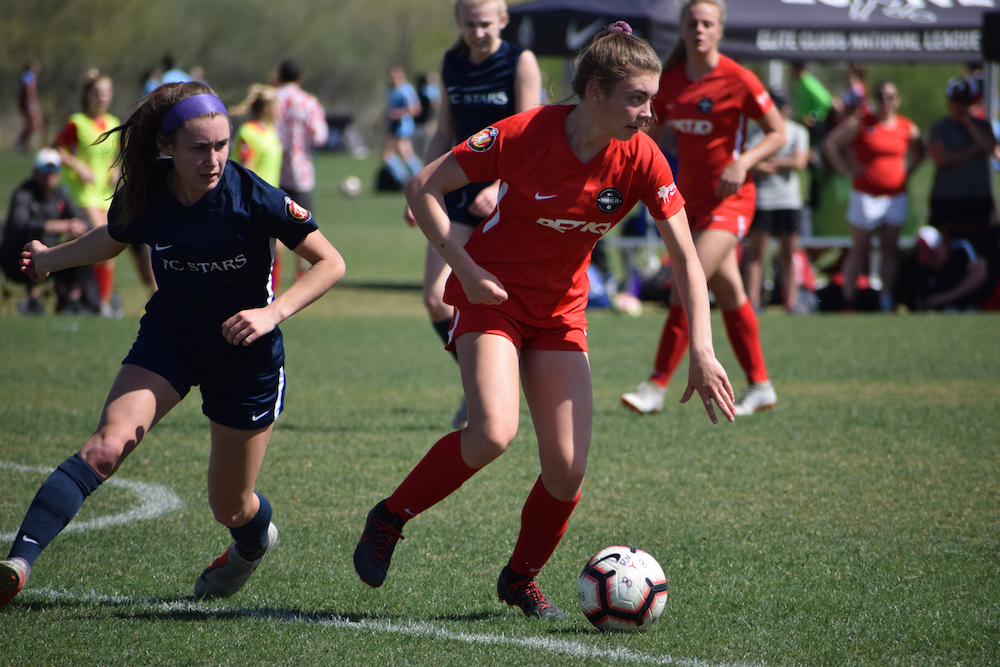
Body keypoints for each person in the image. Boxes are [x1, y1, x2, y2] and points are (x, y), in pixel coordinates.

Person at [353, 22, 735, 620]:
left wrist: (704, 350)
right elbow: (423, 186)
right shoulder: (526, 134)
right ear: (594, 93)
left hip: (560, 313)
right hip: (492, 298)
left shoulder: (643, 158)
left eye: (652, 99)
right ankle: (389, 517)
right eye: (637, 99)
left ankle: (519, 578)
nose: (648, 113)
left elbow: (687, 256)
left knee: (567, 468)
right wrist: (465, 267)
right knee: (492, 434)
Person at [0, 82, 346, 609]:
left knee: (229, 506)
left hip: (244, 358)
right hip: (172, 337)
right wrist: (50, 259)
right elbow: (114, 237)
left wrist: (271, 313)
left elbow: (332, 262)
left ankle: (252, 543)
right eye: (199, 147)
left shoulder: (256, 198)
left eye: (222, 145)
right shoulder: (147, 189)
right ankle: (17, 565)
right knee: (106, 447)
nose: (214, 159)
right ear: (167, 146)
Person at [620, 0, 785, 418]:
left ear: (720, 30)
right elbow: (650, 137)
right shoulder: (670, 83)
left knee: (682, 285)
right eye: (692, 22)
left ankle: (655, 385)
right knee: (729, 291)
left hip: (732, 202)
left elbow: (778, 133)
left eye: (707, 23)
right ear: (681, 27)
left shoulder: (738, 78)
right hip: (688, 203)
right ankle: (761, 385)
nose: (699, 29)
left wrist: (743, 162)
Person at [404, 0, 542, 430]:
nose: (478, 32)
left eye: (486, 24)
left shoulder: (520, 61)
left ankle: (493, 385)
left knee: (507, 299)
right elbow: (444, 131)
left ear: (502, 21)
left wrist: (498, 186)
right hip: (459, 193)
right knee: (435, 296)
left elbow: (530, 132)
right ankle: (479, 382)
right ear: (459, 23)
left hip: (509, 196)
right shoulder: (452, 61)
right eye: (470, 25)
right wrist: (421, 189)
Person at [823, 79, 925, 312]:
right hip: (865, 195)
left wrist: (906, 173)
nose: (886, 102)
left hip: (895, 196)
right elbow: (831, 144)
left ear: (897, 100)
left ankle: (886, 298)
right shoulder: (861, 122)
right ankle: (848, 299)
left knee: (890, 248)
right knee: (860, 247)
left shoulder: (906, 126)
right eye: (881, 97)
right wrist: (847, 170)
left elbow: (921, 151)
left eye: (890, 97)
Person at [0, 149, 94, 315]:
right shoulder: (24, 193)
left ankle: (73, 299)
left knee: (82, 241)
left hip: (51, 260)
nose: (50, 174)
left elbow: (83, 220)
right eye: (45, 170)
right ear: (35, 172)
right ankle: (32, 299)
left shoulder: (60, 194)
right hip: (17, 262)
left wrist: (78, 226)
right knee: (33, 241)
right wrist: (55, 226)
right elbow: (18, 224)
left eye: (55, 170)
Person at [743, 89, 810, 313]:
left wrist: (768, 161)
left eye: (782, 106)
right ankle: (753, 302)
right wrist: (780, 162)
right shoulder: (756, 132)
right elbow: (749, 162)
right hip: (763, 200)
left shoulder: (797, 131)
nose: (779, 110)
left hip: (788, 201)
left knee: (789, 253)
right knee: (756, 254)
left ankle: (790, 302)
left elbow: (799, 162)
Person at [926, 77, 997, 252]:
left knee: (981, 246)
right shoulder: (940, 128)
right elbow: (942, 158)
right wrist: (973, 150)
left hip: (977, 199)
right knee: (944, 247)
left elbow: (990, 147)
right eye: (956, 101)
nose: (960, 106)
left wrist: (969, 124)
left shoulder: (982, 125)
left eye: (964, 101)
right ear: (949, 101)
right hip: (947, 199)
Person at [273, 58, 329, 282]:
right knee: (302, 223)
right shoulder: (307, 102)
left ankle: (273, 272)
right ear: (299, 78)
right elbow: (320, 136)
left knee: (272, 221)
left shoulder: (271, 98)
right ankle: (301, 271)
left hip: (273, 168)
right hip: (300, 170)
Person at [232, 84, 286, 294]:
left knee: (277, 251)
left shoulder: (271, 131)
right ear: (266, 108)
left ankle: (270, 302)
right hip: (253, 202)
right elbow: (246, 170)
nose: (279, 110)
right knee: (256, 253)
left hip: (272, 200)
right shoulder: (248, 132)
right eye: (276, 106)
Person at [897, 226, 988, 311]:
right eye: (928, 257)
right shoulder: (919, 268)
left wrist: (946, 297)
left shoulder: (961, 250)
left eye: (934, 253)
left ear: (942, 244)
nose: (931, 260)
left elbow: (980, 272)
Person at [381, 65, 424, 187]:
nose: (392, 78)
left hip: (402, 126)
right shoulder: (391, 89)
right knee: (389, 153)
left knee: (399, 153)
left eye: (395, 76)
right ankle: (409, 177)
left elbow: (415, 109)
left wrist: (398, 113)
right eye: (391, 76)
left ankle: (412, 177)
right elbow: (388, 109)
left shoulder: (406, 89)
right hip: (394, 126)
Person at [17, 61, 44, 153]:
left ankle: (24, 144)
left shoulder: (28, 76)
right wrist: (31, 103)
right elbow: (28, 90)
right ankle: (22, 141)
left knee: (31, 124)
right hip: (27, 104)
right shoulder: (29, 76)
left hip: (25, 103)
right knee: (32, 124)